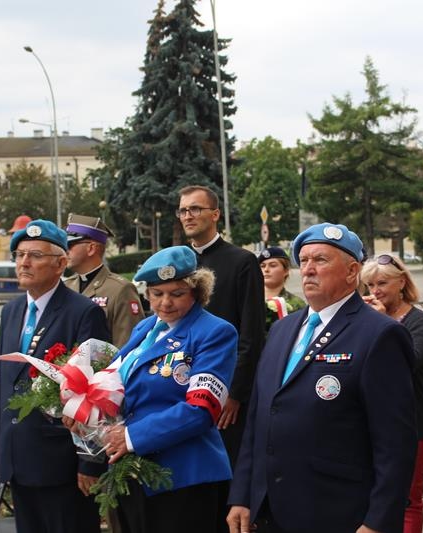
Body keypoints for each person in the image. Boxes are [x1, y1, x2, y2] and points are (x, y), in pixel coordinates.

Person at [227, 222, 417, 533]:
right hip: (270, 510)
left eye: (320, 260)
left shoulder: (379, 334)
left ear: (352, 271)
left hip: (336, 511)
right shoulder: (281, 329)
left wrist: (378, 521)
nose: (308, 269)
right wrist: (242, 495)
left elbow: (395, 442)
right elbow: (259, 420)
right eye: (304, 260)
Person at [103, 246, 238, 533]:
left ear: (196, 293)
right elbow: (117, 379)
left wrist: (131, 437)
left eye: (177, 294)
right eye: (157, 293)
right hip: (134, 473)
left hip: (183, 477)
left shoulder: (214, 332)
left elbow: (202, 410)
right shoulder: (146, 328)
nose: (165, 303)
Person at [0, 219, 111, 533]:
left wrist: (90, 462)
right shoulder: (11, 311)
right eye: (19, 255)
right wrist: (3, 450)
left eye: (35, 255)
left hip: (62, 465)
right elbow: (3, 385)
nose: (24, 263)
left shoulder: (84, 312)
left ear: (60, 264)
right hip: (19, 459)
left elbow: (97, 392)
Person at [178, 185, 265, 532]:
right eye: (183, 210)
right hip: (183, 389)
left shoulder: (241, 262)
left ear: (215, 214)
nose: (188, 216)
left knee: (226, 484)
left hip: (225, 395)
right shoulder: (178, 263)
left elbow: (251, 334)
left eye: (195, 209)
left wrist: (235, 393)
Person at [360, 253, 423, 533]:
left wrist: (384, 325)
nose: (376, 291)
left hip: (412, 421)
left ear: (402, 282)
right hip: (372, 421)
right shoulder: (367, 318)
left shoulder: (418, 320)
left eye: (382, 283)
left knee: (408, 498)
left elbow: (410, 362)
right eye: (370, 285)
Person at [64, 213, 144, 347]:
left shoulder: (120, 289)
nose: (65, 250)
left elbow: (128, 345)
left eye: (70, 245)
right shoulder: (66, 286)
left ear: (91, 248)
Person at [258, 246, 306, 331]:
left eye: (273, 265)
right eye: (262, 266)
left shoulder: (297, 304)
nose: (266, 269)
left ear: (286, 270)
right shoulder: (249, 300)